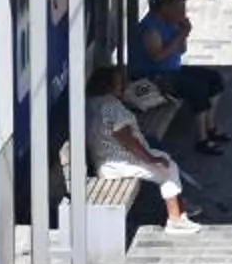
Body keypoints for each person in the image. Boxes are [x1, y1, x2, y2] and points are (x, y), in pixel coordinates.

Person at [86, 65, 202, 232]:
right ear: (107, 85)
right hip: (118, 161)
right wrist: (150, 159)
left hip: (104, 159)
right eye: (118, 82)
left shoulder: (92, 102)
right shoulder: (111, 107)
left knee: (164, 158)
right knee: (166, 169)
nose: (123, 85)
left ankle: (181, 207)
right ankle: (175, 220)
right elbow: (127, 139)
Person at [133, 0, 227, 154]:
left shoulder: (174, 24)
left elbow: (181, 51)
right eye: (178, 9)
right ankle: (202, 139)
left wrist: (183, 34)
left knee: (214, 78)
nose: (182, 13)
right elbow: (158, 57)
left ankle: (210, 127)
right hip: (154, 77)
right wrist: (181, 34)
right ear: (165, 8)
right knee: (197, 88)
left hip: (173, 70)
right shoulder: (150, 29)